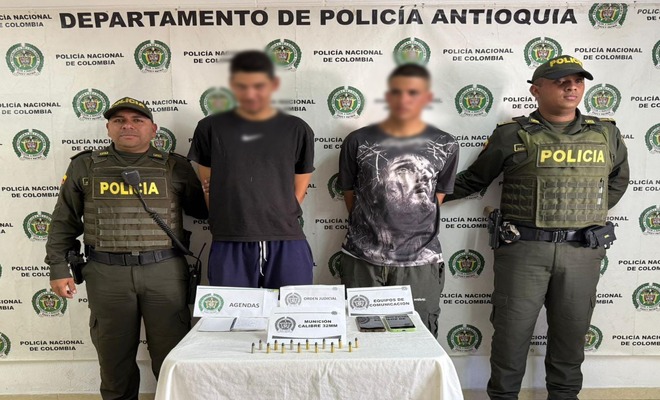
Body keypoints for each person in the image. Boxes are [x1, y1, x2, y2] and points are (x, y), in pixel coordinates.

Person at [446, 55, 629, 400]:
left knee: (571, 337)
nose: (572, 87)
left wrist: (584, 213)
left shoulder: (606, 133)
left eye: (578, 81)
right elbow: (474, 180)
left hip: (581, 251)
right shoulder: (511, 134)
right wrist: (416, 196)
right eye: (561, 82)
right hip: (523, 252)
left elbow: (617, 181)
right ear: (536, 90)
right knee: (511, 336)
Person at [46, 97, 208, 400]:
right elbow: (63, 221)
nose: (128, 126)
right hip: (107, 275)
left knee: (172, 358)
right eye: (119, 120)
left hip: (164, 273)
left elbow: (203, 211)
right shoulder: (85, 165)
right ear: (108, 128)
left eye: (137, 120)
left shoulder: (175, 166)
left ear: (153, 129)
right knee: (114, 361)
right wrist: (57, 267)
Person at [338, 64, 459, 335]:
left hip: (420, 263)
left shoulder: (446, 143)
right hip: (363, 259)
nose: (404, 99)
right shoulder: (358, 141)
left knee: (418, 339)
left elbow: (436, 198)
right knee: (363, 337)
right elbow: (350, 195)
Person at [188, 50, 315, 289]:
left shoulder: (296, 129)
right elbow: (208, 186)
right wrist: (232, 221)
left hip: (286, 239)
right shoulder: (210, 128)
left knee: (291, 309)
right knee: (231, 312)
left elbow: (300, 186)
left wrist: (276, 216)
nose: (250, 92)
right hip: (230, 239)